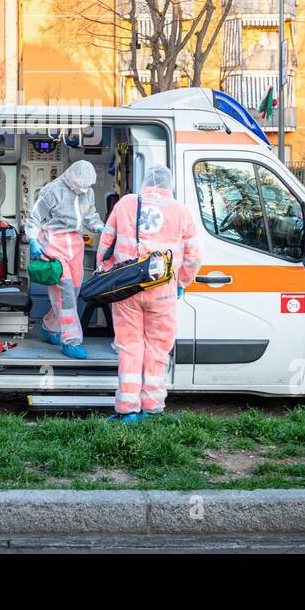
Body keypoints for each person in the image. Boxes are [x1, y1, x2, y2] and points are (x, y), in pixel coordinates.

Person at [97, 165, 202, 423]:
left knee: (129, 347)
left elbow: (106, 245)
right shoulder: (181, 211)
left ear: (145, 182)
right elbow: (195, 256)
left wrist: (107, 273)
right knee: (157, 348)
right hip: (162, 291)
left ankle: (127, 409)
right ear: (169, 184)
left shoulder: (126, 203)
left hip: (127, 290)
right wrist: (182, 282)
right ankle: (153, 407)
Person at [25, 160, 104, 359]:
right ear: (71, 179)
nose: (83, 190)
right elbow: (34, 218)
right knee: (65, 294)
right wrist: (33, 240)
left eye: (86, 187)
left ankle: (49, 326)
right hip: (54, 244)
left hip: (74, 245)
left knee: (74, 291)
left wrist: (100, 227)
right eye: (80, 186)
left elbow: (90, 216)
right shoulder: (52, 191)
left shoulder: (87, 191)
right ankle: (71, 340)